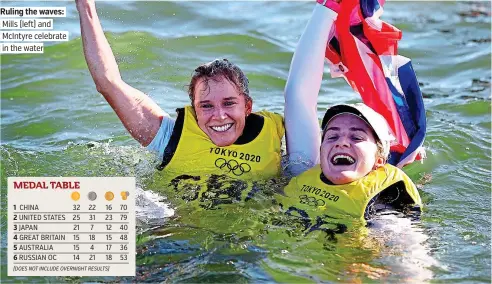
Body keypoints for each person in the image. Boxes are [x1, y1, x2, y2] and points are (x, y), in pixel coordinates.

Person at [75, 0, 285, 208]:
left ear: (247, 106)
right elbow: (108, 83)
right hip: (175, 238)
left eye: (229, 103)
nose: (219, 115)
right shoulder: (169, 137)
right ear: (195, 110)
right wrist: (86, 6)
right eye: (206, 106)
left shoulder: (275, 135)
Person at [279, 0, 423, 223]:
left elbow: (406, 252)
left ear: (379, 160)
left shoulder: (385, 201)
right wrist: (326, 8)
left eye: (356, 137)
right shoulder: (303, 173)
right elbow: (297, 98)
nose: (341, 142)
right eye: (332, 135)